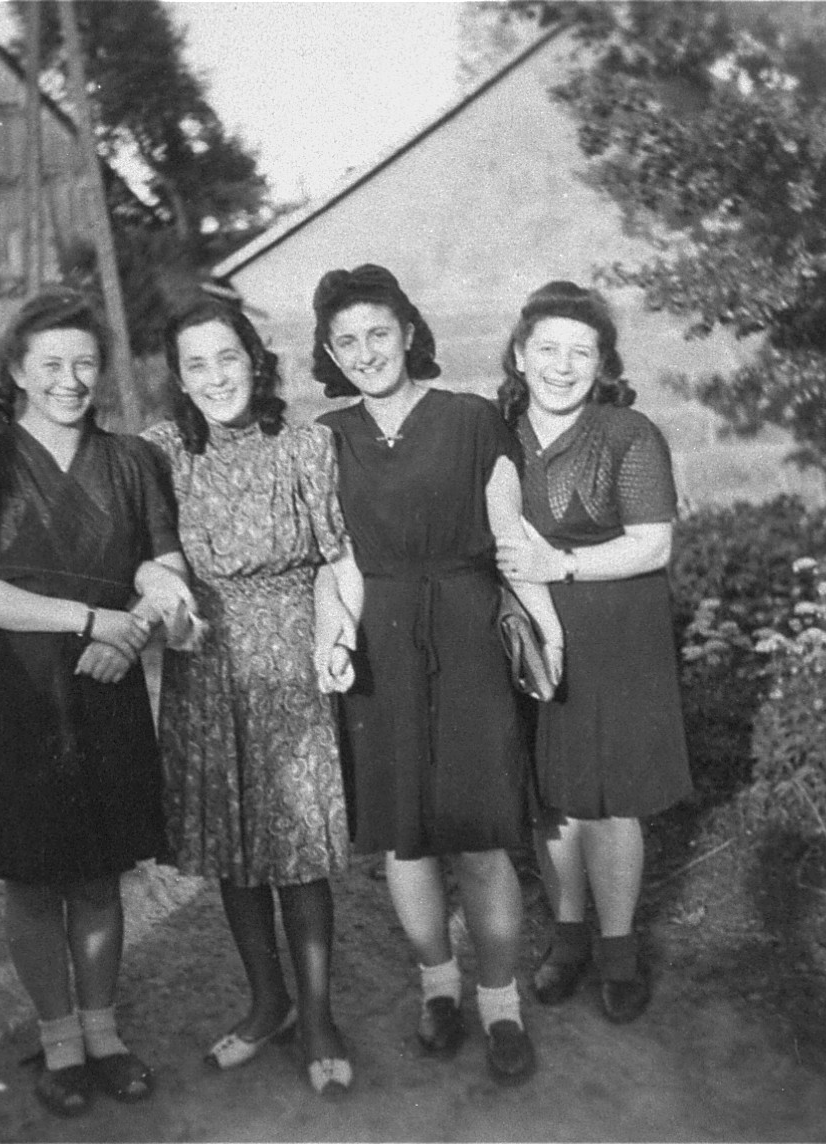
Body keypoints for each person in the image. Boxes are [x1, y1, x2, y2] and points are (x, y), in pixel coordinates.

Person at [0, 287, 189, 1117]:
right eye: (52, 365)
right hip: (9, 690)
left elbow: (165, 567)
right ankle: (59, 1042)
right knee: (36, 880)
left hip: (105, 686)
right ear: (18, 370)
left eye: (85, 363)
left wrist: (137, 624)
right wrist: (92, 620)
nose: (71, 380)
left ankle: (104, 1034)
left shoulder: (135, 462)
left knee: (100, 874)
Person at [312, 264, 562, 1086]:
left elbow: (508, 536)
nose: (365, 352)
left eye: (378, 333)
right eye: (345, 340)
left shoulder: (471, 419)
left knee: (485, 840)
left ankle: (500, 1006)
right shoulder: (328, 436)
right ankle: (437, 990)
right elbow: (334, 560)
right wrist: (336, 631)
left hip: (466, 633)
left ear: (411, 332)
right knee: (406, 840)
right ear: (328, 351)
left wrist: (548, 632)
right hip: (380, 646)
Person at [142, 294, 361, 1097]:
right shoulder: (161, 451)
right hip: (204, 671)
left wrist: (335, 634)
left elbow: (338, 558)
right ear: (179, 377)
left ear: (254, 360)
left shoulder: (305, 446)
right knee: (232, 851)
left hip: (288, 667)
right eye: (195, 364)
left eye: (226, 358)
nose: (214, 377)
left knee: (298, 854)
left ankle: (318, 1015)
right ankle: (266, 1002)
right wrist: (163, 599)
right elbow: (139, 547)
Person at [495, 281, 693, 1024]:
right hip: (531, 633)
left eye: (581, 351)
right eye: (547, 348)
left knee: (612, 804)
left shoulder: (628, 434)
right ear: (520, 355)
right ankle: (566, 940)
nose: (562, 364)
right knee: (554, 799)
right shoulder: (498, 433)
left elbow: (653, 542)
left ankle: (618, 950)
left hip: (616, 633)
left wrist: (563, 566)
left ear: (603, 361)